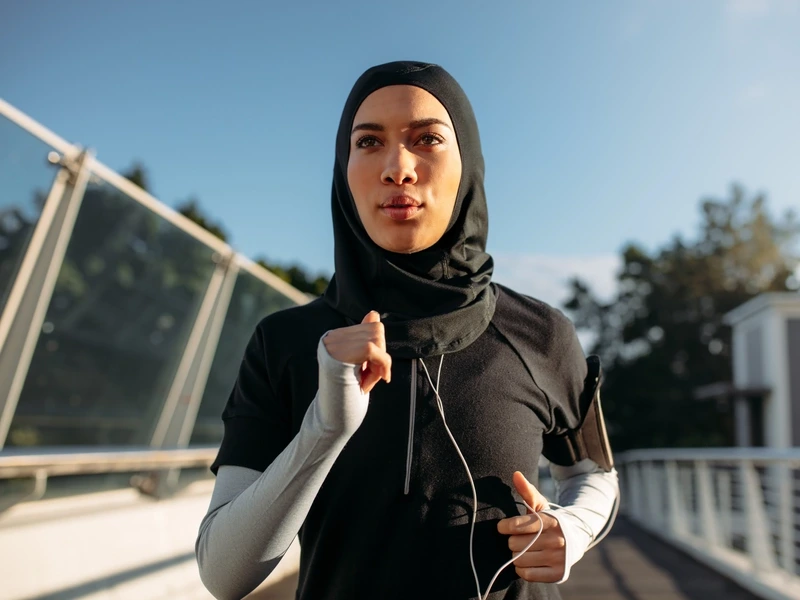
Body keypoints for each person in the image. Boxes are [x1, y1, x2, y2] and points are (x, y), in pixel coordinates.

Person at [196, 61, 619, 600]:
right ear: (342, 169)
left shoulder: (542, 333)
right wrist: (324, 427)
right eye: (369, 142)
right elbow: (223, 575)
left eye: (427, 139)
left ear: (468, 164)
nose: (398, 168)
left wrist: (574, 529)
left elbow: (593, 473)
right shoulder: (283, 342)